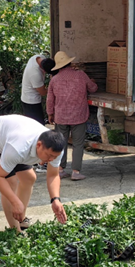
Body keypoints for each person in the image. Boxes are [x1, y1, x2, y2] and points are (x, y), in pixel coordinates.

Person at [0, 114, 68, 231]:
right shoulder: (18, 149)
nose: (51, 159)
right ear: (39, 145)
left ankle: (20, 218)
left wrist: (55, 200)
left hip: (12, 136)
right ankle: (15, 231)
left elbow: (53, 175)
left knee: (29, 178)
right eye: (49, 155)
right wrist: (15, 201)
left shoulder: (56, 150)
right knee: (11, 182)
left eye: (54, 157)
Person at [47, 51, 98, 181]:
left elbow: (50, 100)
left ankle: (60, 170)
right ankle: (76, 172)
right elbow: (93, 88)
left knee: (61, 143)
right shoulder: (81, 75)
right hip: (79, 115)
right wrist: (93, 82)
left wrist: (50, 113)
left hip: (61, 117)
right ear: (70, 63)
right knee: (78, 144)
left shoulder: (54, 80)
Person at [21, 54, 55, 124]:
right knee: (37, 124)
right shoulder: (35, 74)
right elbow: (43, 92)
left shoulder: (38, 57)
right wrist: (53, 85)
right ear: (43, 70)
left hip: (29, 97)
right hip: (31, 101)